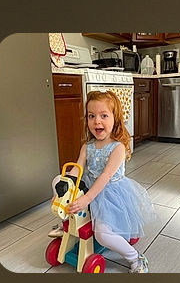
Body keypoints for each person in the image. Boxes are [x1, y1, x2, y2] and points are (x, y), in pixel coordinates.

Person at [66, 90, 154, 273]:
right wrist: (63, 188)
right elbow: (77, 169)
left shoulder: (118, 148)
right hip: (89, 190)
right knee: (59, 180)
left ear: (115, 119)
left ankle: (135, 257)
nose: (97, 121)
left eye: (104, 115)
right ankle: (64, 224)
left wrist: (87, 199)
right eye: (92, 116)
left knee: (103, 235)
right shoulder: (87, 146)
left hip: (110, 195)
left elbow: (105, 177)